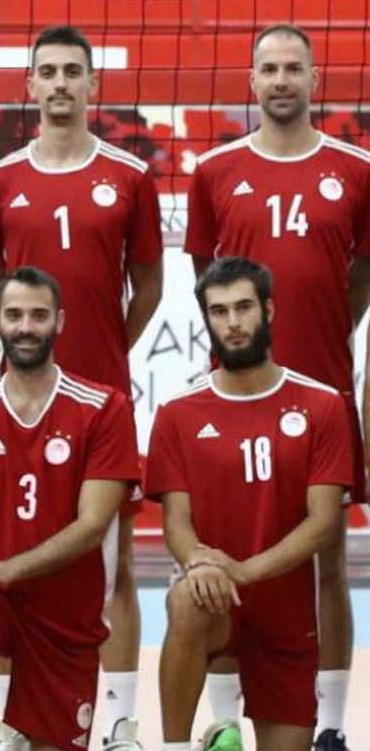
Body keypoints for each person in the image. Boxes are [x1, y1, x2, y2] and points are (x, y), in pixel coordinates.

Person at [0, 24, 163, 748]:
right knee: (13, 557)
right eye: (47, 71)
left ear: (93, 85)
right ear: (29, 85)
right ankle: (14, 723)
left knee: (115, 562)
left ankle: (119, 720)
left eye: (72, 72)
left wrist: (103, 353)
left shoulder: (130, 177)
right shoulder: (0, 182)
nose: (60, 83)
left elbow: (148, 285)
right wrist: (31, 355)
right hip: (19, 400)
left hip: (103, 397)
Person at [184, 23, 370, 751]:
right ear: (251, 81)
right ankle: (227, 724)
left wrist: (326, 331)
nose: (282, 80)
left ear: (315, 80)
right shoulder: (215, 170)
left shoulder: (356, 170)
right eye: (270, 69)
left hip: (322, 391)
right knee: (227, 549)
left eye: (295, 68)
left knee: (329, 559)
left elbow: (362, 273)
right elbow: (208, 278)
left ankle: (331, 724)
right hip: (235, 397)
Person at [0, 266, 138, 751]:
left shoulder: (104, 408)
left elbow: (93, 524)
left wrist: (6, 569)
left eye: (39, 316)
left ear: (60, 321)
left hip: (66, 616)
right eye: (14, 315)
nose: (25, 327)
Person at [148, 257, 352, 751]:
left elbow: (324, 521)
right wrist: (198, 560)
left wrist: (243, 571)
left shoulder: (323, 405)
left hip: (287, 615)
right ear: (207, 319)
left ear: (269, 310)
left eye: (243, 308)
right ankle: (175, 746)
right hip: (216, 601)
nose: (233, 323)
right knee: (186, 599)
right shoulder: (177, 413)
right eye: (219, 312)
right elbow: (176, 523)